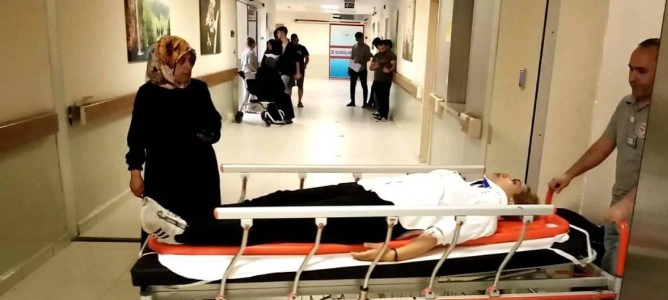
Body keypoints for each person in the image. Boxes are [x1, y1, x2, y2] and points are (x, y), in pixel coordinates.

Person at [140, 170, 539, 262]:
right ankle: (196, 218)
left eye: (516, 180)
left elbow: (440, 234)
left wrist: (393, 253)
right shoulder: (471, 185)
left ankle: (187, 234)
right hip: (367, 193)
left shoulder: (487, 211)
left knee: (276, 225)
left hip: (379, 216)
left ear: (514, 200)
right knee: (280, 199)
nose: (507, 173)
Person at [548, 38, 660, 300]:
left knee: (628, 283)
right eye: (630, 68)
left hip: (646, 215)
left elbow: (659, 168)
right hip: (618, 212)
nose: (632, 76)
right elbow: (604, 144)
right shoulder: (626, 105)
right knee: (613, 276)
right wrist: (569, 174)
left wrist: (629, 203)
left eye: (642, 71)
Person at [125, 36, 222, 244]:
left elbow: (215, 125)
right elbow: (137, 136)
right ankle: (158, 259)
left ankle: (201, 258)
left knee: (200, 223)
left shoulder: (198, 89)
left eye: (191, 61)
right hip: (163, 171)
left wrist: (205, 132)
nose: (188, 67)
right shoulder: (148, 94)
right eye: (182, 61)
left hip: (199, 169)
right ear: (165, 61)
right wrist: (135, 172)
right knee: (162, 222)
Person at [258, 39, 294, 124]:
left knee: (277, 96)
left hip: (261, 93)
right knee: (285, 97)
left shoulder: (260, 71)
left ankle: (272, 115)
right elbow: (281, 87)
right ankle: (285, 117)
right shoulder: (274, 73)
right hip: (271, 94)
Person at [370, 39, 396, 121]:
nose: (381, 50)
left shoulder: (391, 55)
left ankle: (384, 114)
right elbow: (371, 67)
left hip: (386, 79)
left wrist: (388, 71)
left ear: (386, 47)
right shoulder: (376, 56)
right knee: (378, 96)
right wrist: (375, 67)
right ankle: (380, 112)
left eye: (383, 49)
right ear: (378, 47)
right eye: (380, 49)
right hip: (377, 79)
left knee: (385, 97)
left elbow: (394, 66)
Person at [347, 32, 373, 107]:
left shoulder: (366, 47)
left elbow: (368, 58)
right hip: (353, 68)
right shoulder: (354, 46)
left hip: (362, 69)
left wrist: (360, 61)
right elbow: (352, 57)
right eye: (358, 39)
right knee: (352, 86)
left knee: (364, 86)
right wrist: (349, 67)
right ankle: (352, 101)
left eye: (361, 38)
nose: (360, 40)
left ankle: (364, 102)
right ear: (356, 39)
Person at [275, 26, 302, 96]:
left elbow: (297, 60)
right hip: (278, 70)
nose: (277, 34)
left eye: (278, 33)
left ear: (282, 33)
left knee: (282, 85)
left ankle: (282, 101)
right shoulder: (277, 44)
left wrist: (298, 72)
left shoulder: (291, 46)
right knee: (286, 88)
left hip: (288, 71)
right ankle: (286, 101)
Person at [239, 37, 258, 108]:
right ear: (252, 44)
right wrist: (255, 70)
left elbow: (242, 62)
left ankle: (244, 105)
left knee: (247, 90)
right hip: (250, 73)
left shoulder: (244, 52)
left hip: (244, 72)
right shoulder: (251, 52)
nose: (255, 45)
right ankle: (250, 106)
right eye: (254, 43)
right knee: (252, 90)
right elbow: (250, 63)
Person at [290, 34, 309, 108]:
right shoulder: (289, 48)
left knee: (300, 86)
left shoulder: (302, 48)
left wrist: (305, 64)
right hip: (291, 70)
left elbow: (307, 57)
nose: (296, 41)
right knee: (289, 86)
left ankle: (299, 101)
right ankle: (289, 102)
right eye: (294, 40)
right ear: (291, 40)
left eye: (296, 40)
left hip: (301, 70)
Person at [366, 37, 382, 109]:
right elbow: (371, 67)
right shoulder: (377, 54)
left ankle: (373, 103)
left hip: (381, 77)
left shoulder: (381, 55)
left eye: (376, 45)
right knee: (373, 89)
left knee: (375, 89)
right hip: (377, 76)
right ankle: (372, 102)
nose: (376, 47)